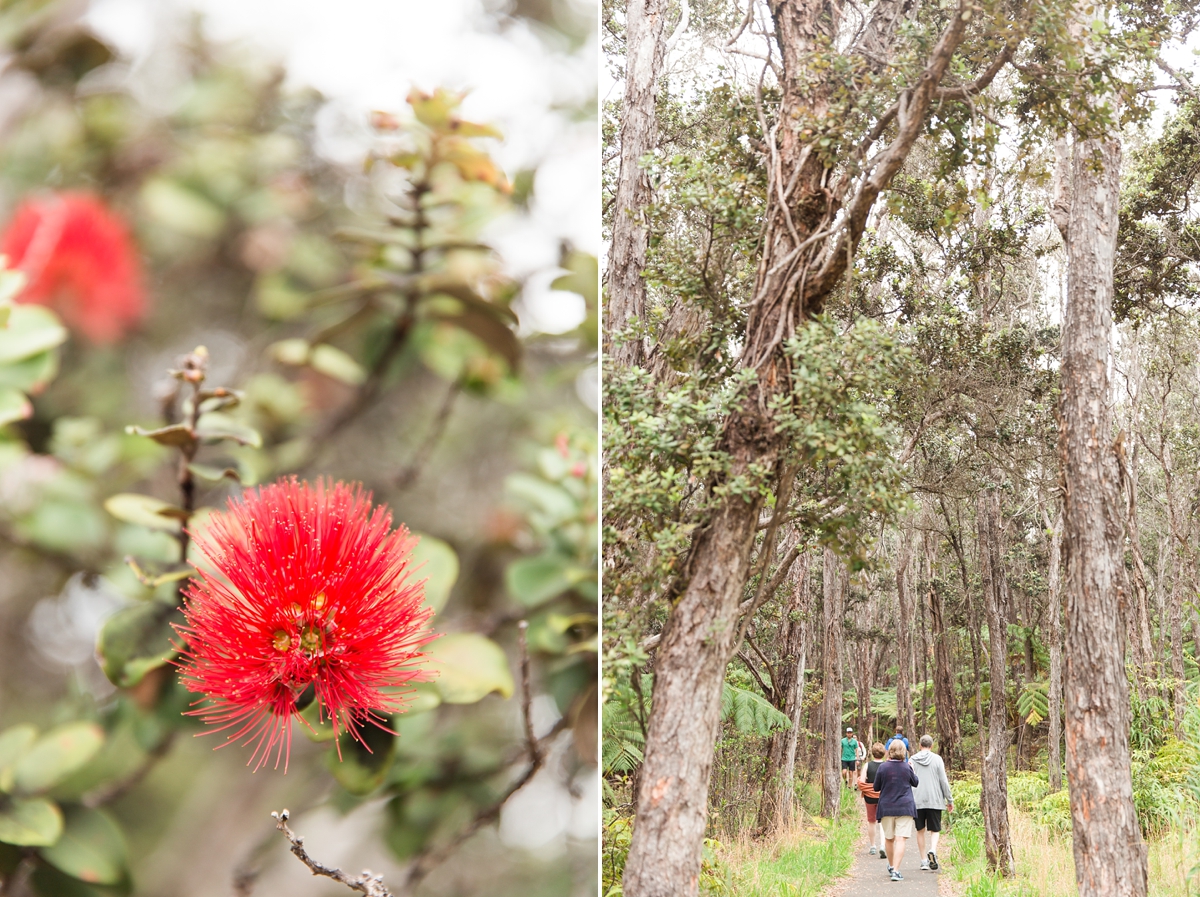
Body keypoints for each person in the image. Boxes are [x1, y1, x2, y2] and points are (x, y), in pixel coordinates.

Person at [872, 739, 920, 882]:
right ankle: (896, 870)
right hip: (905, 806)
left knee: (889, 838)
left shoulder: (883, 767)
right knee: (900, 839)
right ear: (903, 752)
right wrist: (912, 769)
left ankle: (892, 866)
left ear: (890, 751)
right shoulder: (907, 767)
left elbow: (876, 787)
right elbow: (915, 782)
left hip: (886, 806)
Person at [910, 734, 954, 871]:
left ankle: (923, 860)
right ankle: (933, 850)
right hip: (935, 799)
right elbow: (943, 781)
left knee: (920, 830)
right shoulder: (937, 759)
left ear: (919, 745)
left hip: (917, 800)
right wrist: (949, 799)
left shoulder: (912, 759)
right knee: (935, 829)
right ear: (932, 745)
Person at [856, 742, 887, 857]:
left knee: (871, 821)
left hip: (869, 797)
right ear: (883, 753)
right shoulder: (886, 766)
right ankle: (883, 845)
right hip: (883, 797)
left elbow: (862, 782)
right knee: (883, 821)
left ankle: (873, 846)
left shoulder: (868, 766)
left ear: (872, 753)